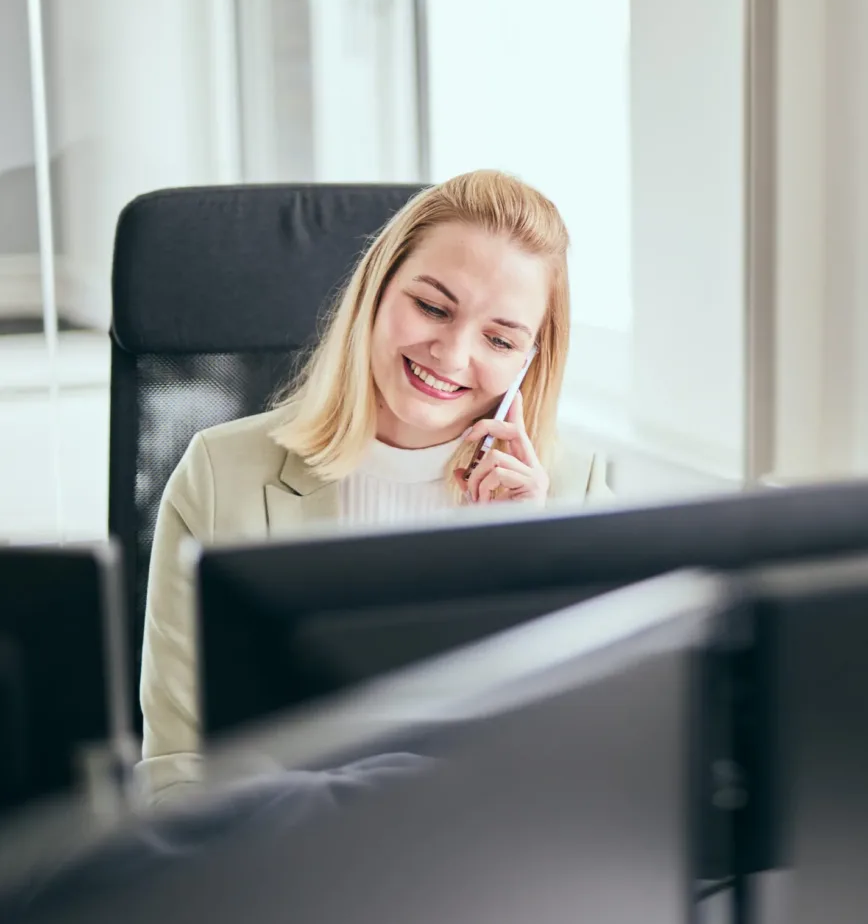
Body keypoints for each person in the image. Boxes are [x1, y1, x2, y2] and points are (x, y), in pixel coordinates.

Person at [138, 170, 612, 803]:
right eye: (432, 307)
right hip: (277, 861)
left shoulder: (570, 494)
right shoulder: (221, 475)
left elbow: (592, 770)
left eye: (499, 338)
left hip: (486, 870)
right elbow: (177, 768)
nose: (450, 354)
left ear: (531, 359)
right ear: (376, 293)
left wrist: (521, 553)